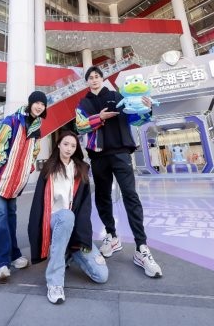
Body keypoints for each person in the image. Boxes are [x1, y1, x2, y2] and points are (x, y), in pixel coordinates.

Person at [75, 66, 163, 278]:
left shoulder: (118, 96)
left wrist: (147, 110)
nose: (94, 79)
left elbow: (136, 120)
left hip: (121, 153)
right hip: (97, 156)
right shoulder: (83, 103)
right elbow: (80, 126)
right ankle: (111, 236)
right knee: (102, 197)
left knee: (130, 196)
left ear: (102, 78)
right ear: (87, 82)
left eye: (97, 76)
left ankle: (141, 247)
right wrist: (99, 117)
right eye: (90, 77)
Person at [28, 131, 108, 305]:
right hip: (53, 221)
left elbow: (85, 209)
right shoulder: (49, 169)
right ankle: (55, 282)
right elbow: (38, 205)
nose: (69, 148)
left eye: (73, 145)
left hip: (74, 227)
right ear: (58, 145)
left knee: (101, 275)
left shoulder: (81, 170)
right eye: (65, 144)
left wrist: (83, 238)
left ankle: (68, 252)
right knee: (66, 216)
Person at [0, 91, 47, 283]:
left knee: (11, 216)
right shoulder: (11, 121)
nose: (39, 106)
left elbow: (34, 152)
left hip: (15, 182)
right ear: (30, 103)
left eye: (42, 104)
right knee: (1, 217)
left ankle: (13, 254)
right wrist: (3, 166)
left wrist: (27, 168)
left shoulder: (36, 128)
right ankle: (1, 263)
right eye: (36, 102)